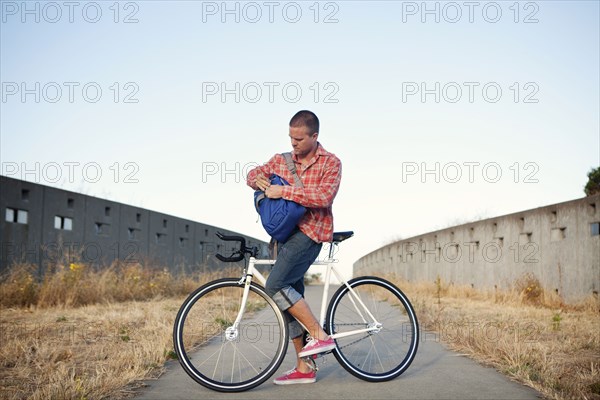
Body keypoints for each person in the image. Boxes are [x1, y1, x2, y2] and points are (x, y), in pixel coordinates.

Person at [246, 110, 342, 385]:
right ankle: (304, 368)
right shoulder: (281, 160)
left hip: (311, 233)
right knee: (287, 301)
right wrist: (259, 181)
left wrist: (283, 192)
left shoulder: (331, 162)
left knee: (275, 286)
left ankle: (320, 336)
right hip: (285, 237)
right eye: (290, 138)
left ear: (315, 136)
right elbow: (252, 174)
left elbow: (324, 196)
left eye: (299, 139)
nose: (294, 144)